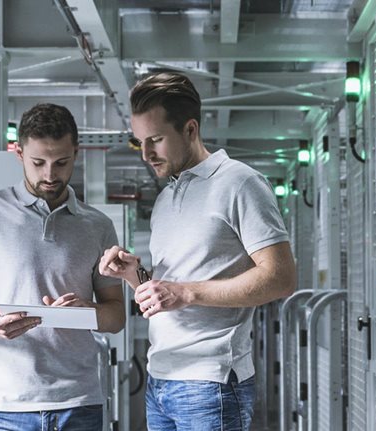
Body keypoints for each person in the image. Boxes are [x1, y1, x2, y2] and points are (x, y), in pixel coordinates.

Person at [99, 73, 296, 430]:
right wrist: (133, 275)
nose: (146, 155)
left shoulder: (239, 183)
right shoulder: (164, 199)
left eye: (156, 140)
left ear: (190, 129)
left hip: (211, 382)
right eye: (139, 142)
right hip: (160, 378)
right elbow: (167, 293)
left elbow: (280, 277)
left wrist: (187, 292)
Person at [0, 103, 125, 431]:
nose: (50, 174)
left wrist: (87, 311)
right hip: (5, 405)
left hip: (78, 403)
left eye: (61, 162)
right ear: (19, 153)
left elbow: (116, 316)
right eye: (38, 162)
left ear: (76, 153)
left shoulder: (98, 225)